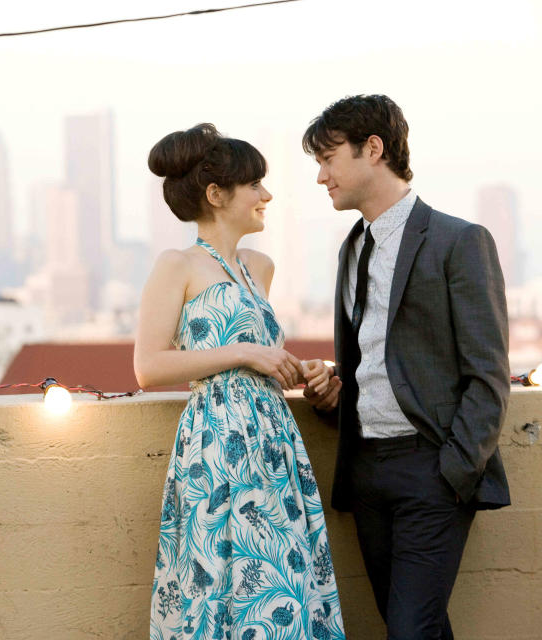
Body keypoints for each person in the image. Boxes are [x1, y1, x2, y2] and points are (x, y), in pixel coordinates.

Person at [301, 94, 511, 639]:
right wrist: (333, 393)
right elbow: (372, 360)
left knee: (409, 633)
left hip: (431, 470)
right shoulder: (350, 249)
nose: (321, 176)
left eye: (328, 159)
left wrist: (453, 473)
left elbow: (488, 375)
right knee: (416, 629)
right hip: (366, 472)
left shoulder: (459, 240)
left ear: (373, 149)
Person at [135, 123, 345, 640]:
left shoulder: (260, 267)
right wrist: (246, 351)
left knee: (285, 585)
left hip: (273, 444)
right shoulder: (177, 265)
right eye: (254, 185)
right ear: (216, 195)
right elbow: (148, 367)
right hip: (216, 444)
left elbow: (263, 360)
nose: (266, 195)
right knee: (223, 587)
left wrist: (311, 372)